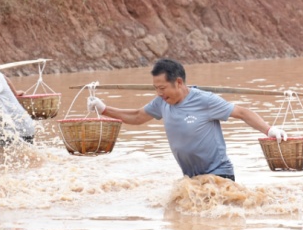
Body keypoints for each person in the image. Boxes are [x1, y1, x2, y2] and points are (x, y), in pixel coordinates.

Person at [86, 58, 287, 181]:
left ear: (179, 82)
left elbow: (242, 112)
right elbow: (137, 117)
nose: (159, 93)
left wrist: (269, 130)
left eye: (162, 88)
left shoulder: (205, 100)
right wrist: (103, 109)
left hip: (219, 175)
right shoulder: (161, 102)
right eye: (155, 88)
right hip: (191, 179)